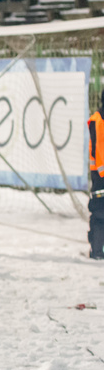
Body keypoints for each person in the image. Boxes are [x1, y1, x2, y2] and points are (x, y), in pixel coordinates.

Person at [87, 90, 104, 260]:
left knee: (99, 214)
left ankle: (97, 250)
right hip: (101, 176)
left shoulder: (96, 119)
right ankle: (98, 251)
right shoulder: (98, 121)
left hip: (99, 175)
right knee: (100, 213)